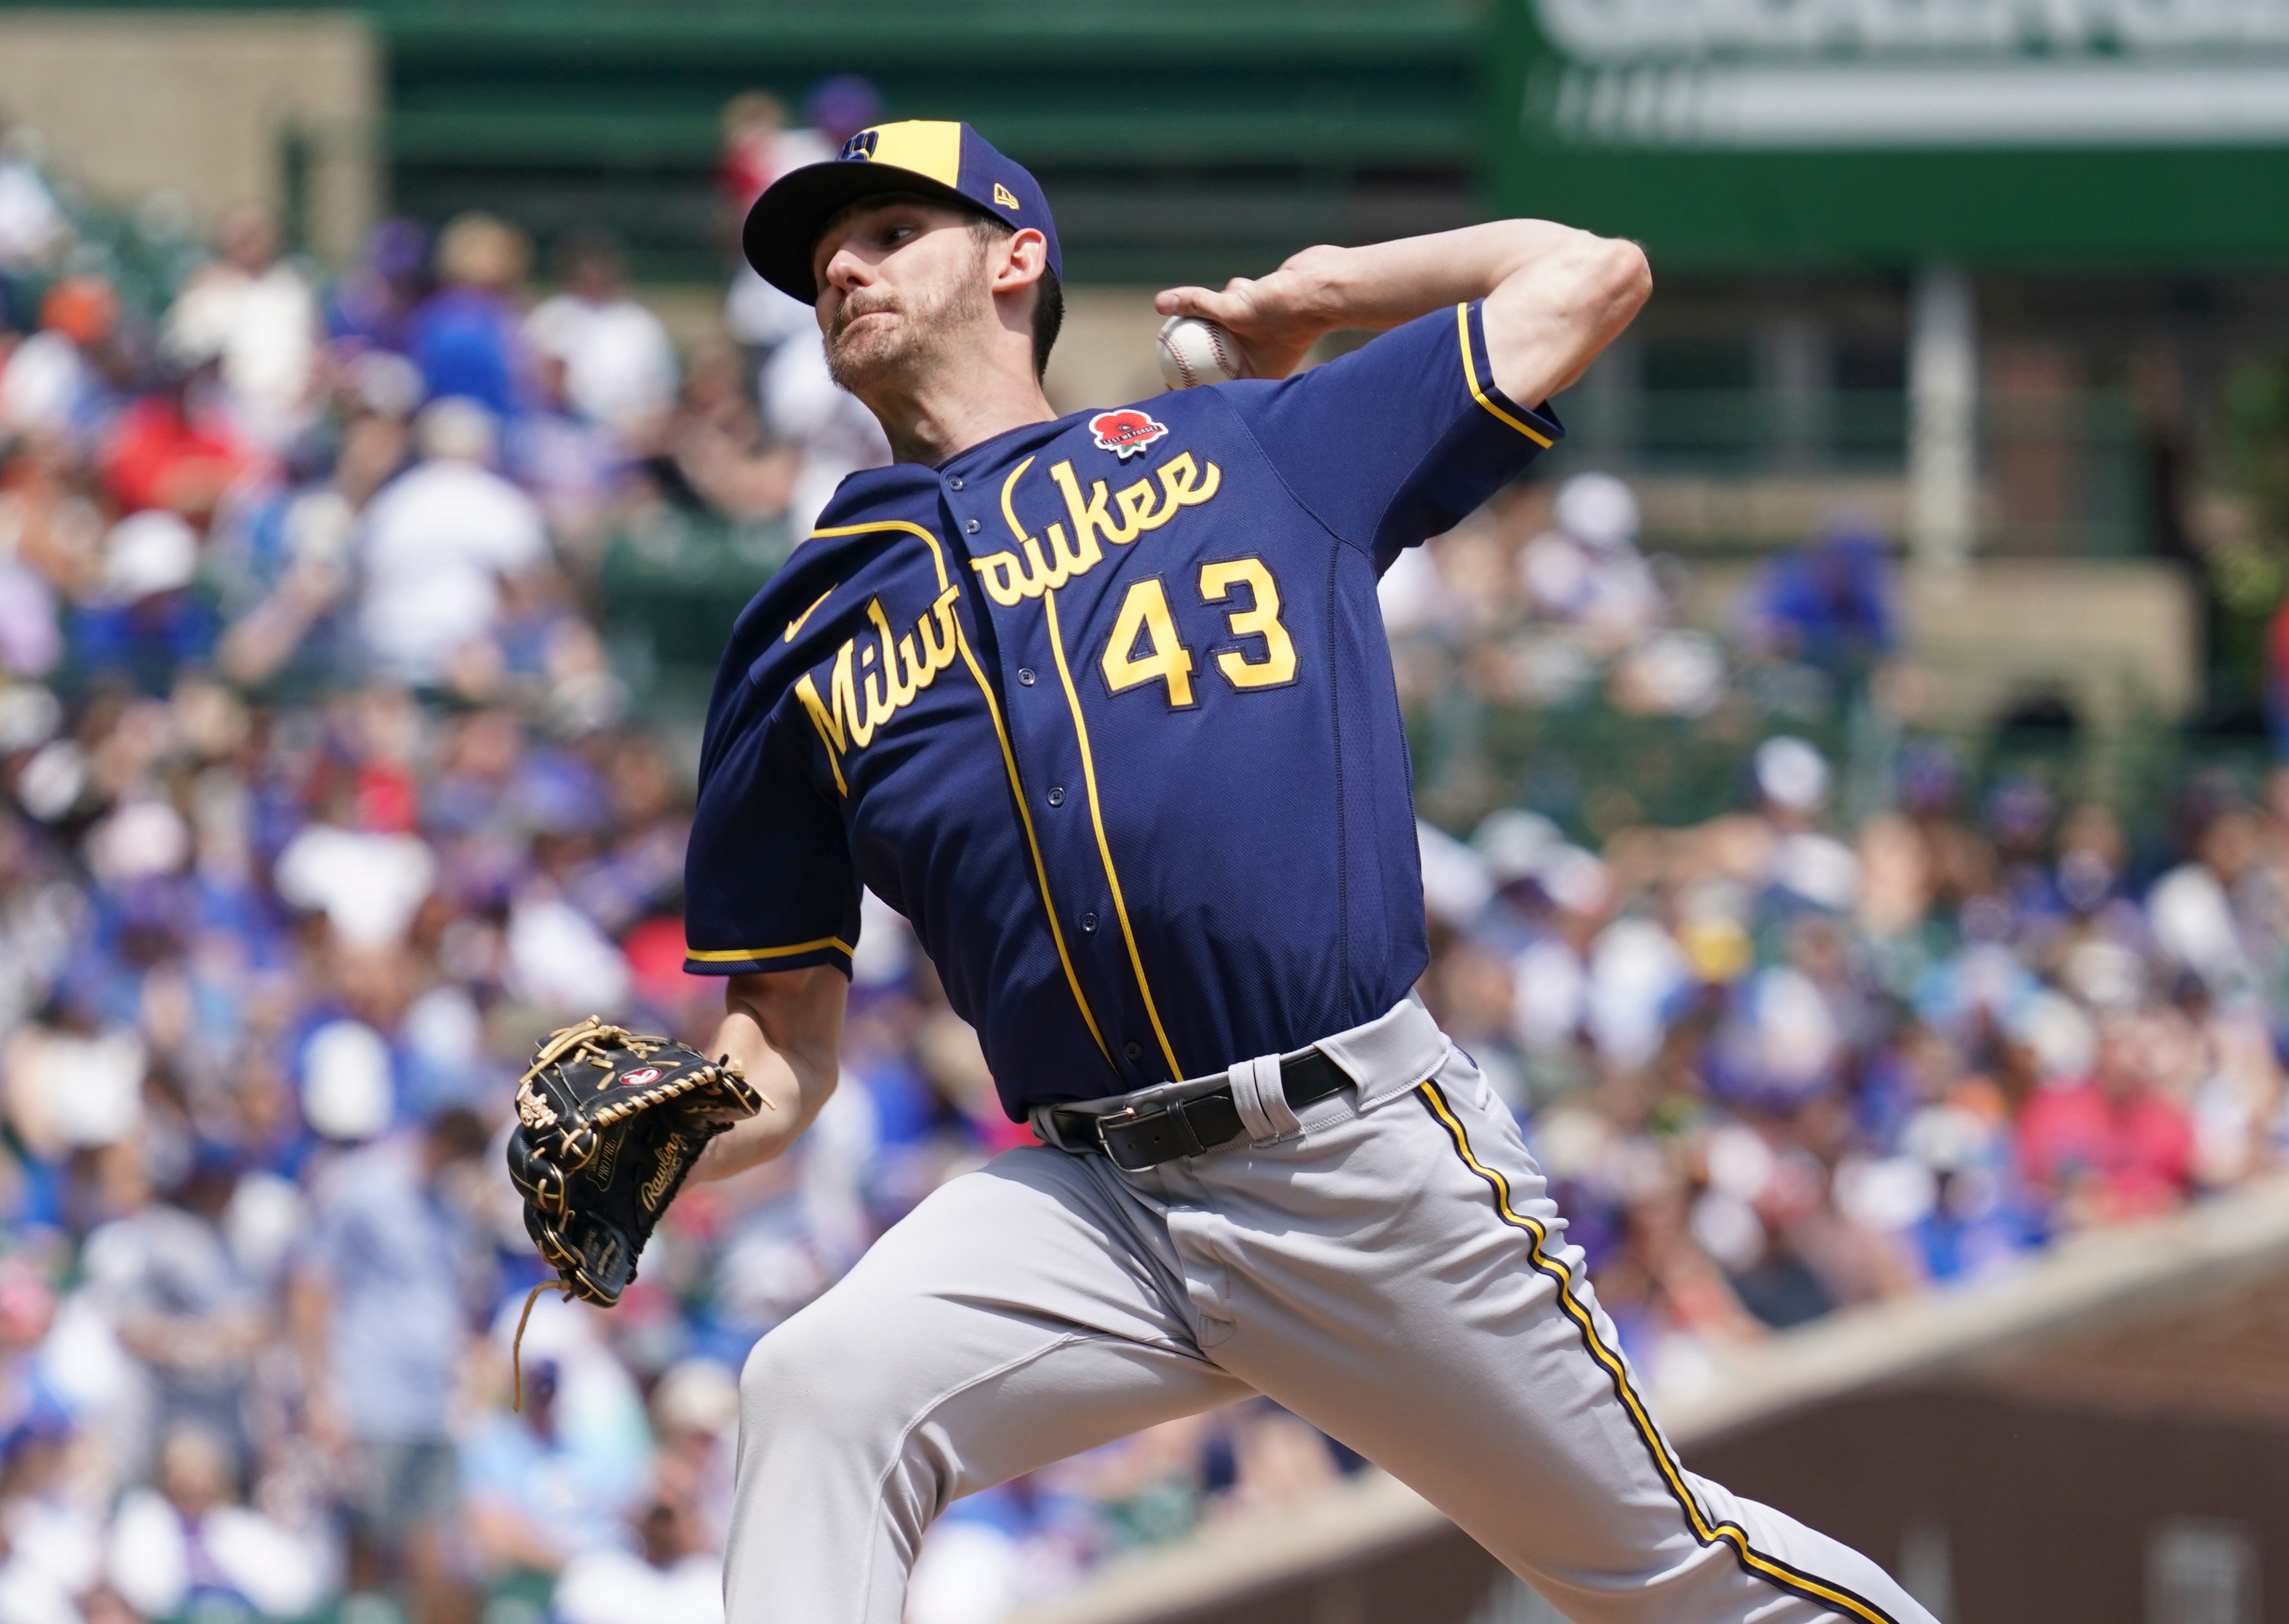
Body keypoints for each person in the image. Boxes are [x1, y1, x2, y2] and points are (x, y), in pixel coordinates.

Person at [670, 121, 1934, 1623]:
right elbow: (784, 1049)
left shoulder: (1247, 452)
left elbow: (1587, 276)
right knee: (817, 1388)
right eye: (823, 253)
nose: (838, 265)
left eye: (887, 229)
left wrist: (1326, 290)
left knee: (1661, 1573)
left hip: (1347, 1159)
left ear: (1018, 259)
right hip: (1097, 1203)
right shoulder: (807, 626)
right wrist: (679, 1126)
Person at [354, 397, 552, 688]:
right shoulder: (497, 499)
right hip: (466, 657)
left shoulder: (393, 500)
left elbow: (364, 577)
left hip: (387, 655)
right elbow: (527, 590)